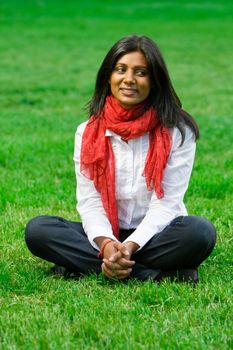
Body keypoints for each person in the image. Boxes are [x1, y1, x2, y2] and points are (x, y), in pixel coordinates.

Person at [25, 34, 216, 284]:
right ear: (109, 76)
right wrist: (106, 245)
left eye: (141, 72)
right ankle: (159, 274)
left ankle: (83, 265)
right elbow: (90, 202)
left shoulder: (178, 130)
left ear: (155, 81)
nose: (129, 79)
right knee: (38, 230)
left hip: (157, 234)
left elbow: (167, 203)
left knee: (200, 232)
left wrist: (129, 247)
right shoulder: (87, 132)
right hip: (106, 234)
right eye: (121, 69)